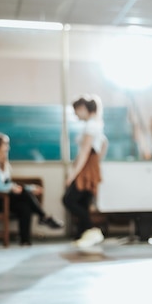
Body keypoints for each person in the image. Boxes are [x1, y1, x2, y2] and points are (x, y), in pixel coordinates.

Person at [0, 132, 64, 246]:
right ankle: (43, 216)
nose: (8, 147)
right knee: (24, 195)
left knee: (24, 206)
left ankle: (25, 241)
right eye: (5, 144)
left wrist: (29, 188)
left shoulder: (2, 164)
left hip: (4, 199)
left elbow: (8, 183)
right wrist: (11, 187)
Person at [63, 94, 108, 249]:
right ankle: (83, 234)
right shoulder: (96, 124)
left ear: (82, 109)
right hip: (91, 164)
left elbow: (84, 152)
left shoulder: (90, 125)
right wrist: (97, 161)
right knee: (83, 201)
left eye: (76, 111)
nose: (75, 115)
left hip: (86, 165)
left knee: (69, 199)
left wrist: (73, 175)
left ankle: (91, 229)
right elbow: (104, 144)